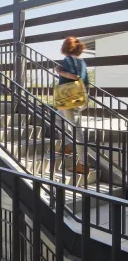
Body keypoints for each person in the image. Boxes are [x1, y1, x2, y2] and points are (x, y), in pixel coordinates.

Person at [56, 37, 89, 175]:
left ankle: (83, 164)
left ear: (65, 47)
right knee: (58, 119)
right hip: (77, 98)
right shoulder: (81, 61)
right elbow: (84, 81)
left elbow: (75, 76)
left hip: (69, 99)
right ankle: (68, 144)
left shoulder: (68, 60)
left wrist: (59, 71)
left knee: (77, 130)